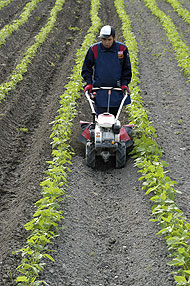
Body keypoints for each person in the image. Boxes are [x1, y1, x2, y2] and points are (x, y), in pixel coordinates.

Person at [81, 25, 132, 116]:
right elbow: (87, 68)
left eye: (109, 39)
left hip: (117, 90)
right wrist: (89, 83)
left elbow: (126, 69)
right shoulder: (94, 49)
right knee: (100, 117)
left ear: (114, 38)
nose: (106, 42)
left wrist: (124, 83)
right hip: (99, 90)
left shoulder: (121, 49)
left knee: (114, 118)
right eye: (104, 40)